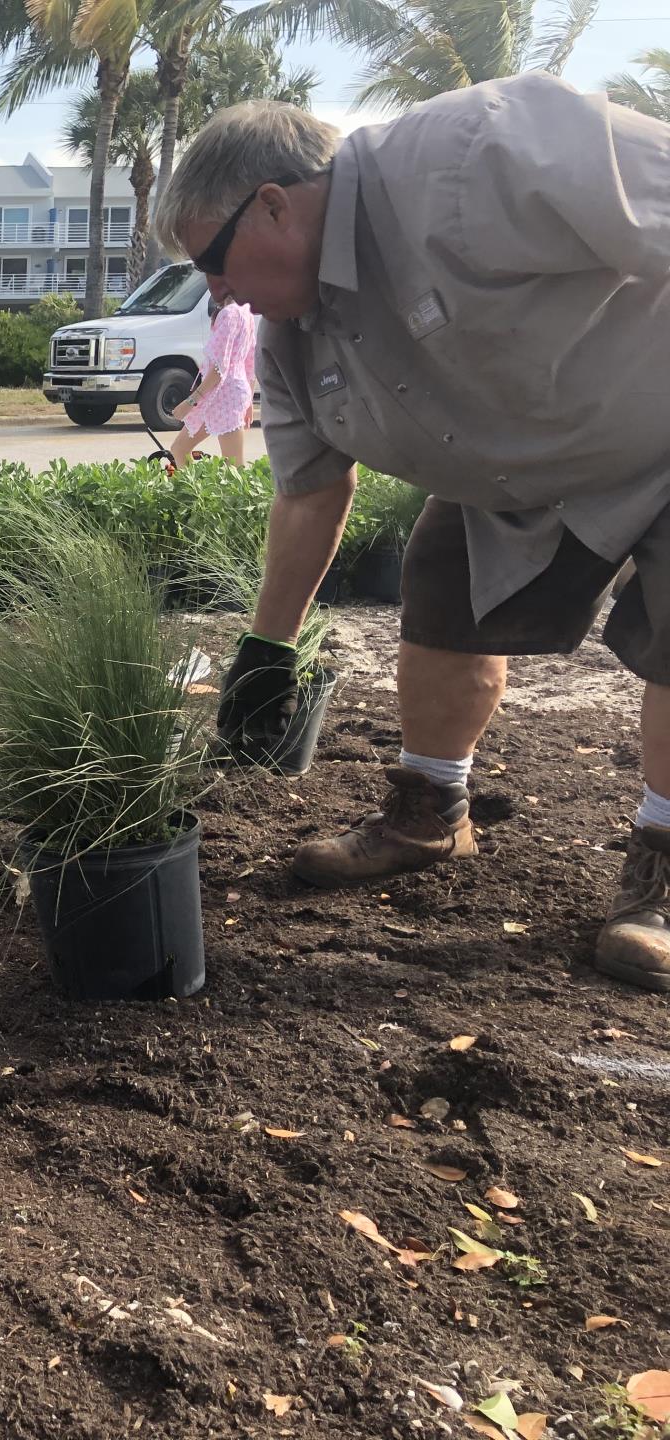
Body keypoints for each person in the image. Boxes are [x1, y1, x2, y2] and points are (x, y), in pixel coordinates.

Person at [157, 74, 670, 993]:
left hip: (660, 431)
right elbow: (312, 494)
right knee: (440, 586)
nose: (216, 294)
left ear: (273, 206)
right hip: (515, 475)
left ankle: (660, 880)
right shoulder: (288, 337)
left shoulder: (486, 151)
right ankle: (431, 813)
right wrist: (266, 649)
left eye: (215, 263)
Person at [168, 294, 257, 468]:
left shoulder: (230, 313)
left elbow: (218, 368)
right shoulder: (246, 310)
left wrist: (190, 401)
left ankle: (197, 493)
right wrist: (249, 400)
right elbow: (250, 362)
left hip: (226, 395)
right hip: (226, 394)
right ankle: (195, 494)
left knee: (234, 468)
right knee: (179, 449)